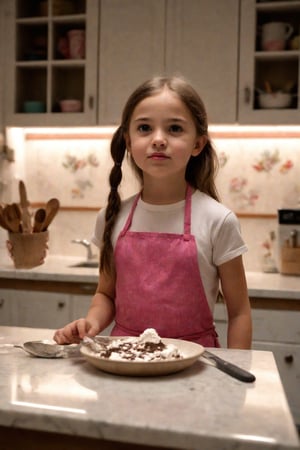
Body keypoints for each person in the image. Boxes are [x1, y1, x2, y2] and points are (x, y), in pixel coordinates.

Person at [54, 76, 252, 349]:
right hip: (123, 362)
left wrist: (236, 374)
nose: (158, 139)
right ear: (128, 140)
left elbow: (239, 312)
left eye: (174, 129)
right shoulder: (112, 218)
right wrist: (92, 323)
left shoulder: (218, 220)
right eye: (145, 128)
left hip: (198, 365)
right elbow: (106, 294)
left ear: (198, 144)